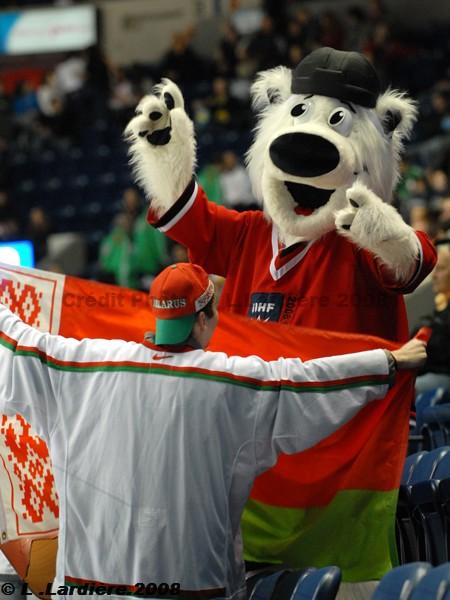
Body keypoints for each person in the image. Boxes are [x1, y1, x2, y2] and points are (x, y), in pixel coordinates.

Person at [0, 263, 426, 599]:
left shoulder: (77, 365)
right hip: (194, 591)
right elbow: (308, 380)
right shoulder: (230, 382)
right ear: (204, 318)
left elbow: (15, 340)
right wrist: (387, 361)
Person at [415, 239, 450, 394]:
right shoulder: (440, 303)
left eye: (441, 269)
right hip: (430, 372)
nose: (434, 275)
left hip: (444, 376)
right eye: (434, 268)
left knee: (405, 389)